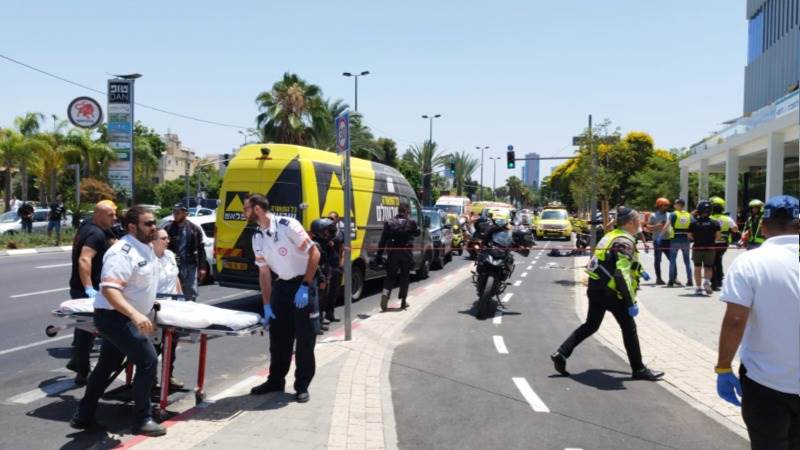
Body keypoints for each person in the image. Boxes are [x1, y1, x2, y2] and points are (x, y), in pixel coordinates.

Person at [70, 205, 165, 437]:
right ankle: (143, 419)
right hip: (115, 318)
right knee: (147, 362)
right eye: (148, 223)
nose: (154, 227)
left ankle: (83, 415)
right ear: (132, 227)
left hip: (123, 317)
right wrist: (135, 314)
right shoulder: (122, 252)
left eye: (154, 222)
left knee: (105, 367)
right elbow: (111, 291)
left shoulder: (146, 248)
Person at [715, 195, 799, 450]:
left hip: (766, 381)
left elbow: (735, 321)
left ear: (763, 228)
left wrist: (723, 367)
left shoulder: (750, 262)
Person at [551, 207, 664, 381]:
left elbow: (610, 262)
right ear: (630, 222)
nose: (640, 224)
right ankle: (639, 369)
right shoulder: (624, 240)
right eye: (637, 221)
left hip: (596, 288)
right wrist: (629, 302)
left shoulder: (609, 236)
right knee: (629, 328)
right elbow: (621, 274)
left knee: (591, 325)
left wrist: (639, 271)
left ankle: (562, 353)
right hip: (614, 293)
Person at [246, 195, 321, 403]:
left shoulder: (288, 226)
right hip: (282, 287)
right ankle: (276, 380)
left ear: (258, 209)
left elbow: (314, 254)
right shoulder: (257, 237)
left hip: (303, 284)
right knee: (278, 339)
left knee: (305, 338)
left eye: (246, 208)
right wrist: (267, 305)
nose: (244, 212)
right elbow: (264, 273)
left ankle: (302, 385)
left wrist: (305, 285)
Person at [66, 200, 117, 384]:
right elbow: (84, 260)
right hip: (88, 290)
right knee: (87, 331)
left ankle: (77, 364)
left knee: (83, 329)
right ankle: (82, 371)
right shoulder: (95, 234)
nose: (114, 218)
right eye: (110, 215)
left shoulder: (87, 228)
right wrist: (89, 287)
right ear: (98, 215)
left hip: (80, 287)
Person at [152, 227, 184, 389]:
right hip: (154, 307)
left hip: (173, 305)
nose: (167, 241)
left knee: (171, 344)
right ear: (153, 241)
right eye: (163, 238)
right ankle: (149, 378)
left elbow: (175, 277)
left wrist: (181, 297)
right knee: (154, 345)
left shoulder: (170, 255)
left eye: (167, 238)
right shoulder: (149, 258)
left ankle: (168, 376)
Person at [374, 202, 420, 311]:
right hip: (406, 253)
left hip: (393, 253)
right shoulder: (411, 222)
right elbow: (417, 233)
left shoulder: (389, 222)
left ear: (398, 211)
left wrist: (379, 255)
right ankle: (403, 302)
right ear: (407, 211)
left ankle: (385, 294)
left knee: (390, 277)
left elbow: (383, 240)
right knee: (405, 277)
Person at [163, 203, 207, 301]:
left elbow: (201, 249)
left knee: (190, 293)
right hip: (173, 265)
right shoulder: (168, 228)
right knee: (174, 292)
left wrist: (202, 268)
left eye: (178, 212)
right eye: (174, 212)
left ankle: (191, 312)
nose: (175, 214)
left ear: (185, 214)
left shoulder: (194, 229)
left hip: (190, 265)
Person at [310, 218, 339, 335]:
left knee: (322, 301)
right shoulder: (315, 244)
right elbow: (315, 264)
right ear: (319, 231)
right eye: (326, 231)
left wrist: (331, 246)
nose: (329, 234)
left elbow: (333, 259)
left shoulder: (325, 243)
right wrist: (322, 279)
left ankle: (320, 322)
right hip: (317, 278)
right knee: (316, 303)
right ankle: (315, 326)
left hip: (324, 275)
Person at [687, 200, 721, 296]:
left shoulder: (694, 223)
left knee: (697, 268)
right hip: (710, 248)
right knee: (708, 267)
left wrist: (697, 239)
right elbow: (718, 236)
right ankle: (706, 282)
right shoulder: (715, 223)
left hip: (697, 247)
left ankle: (698, 288)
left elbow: (689, 236)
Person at [709, 197, 739, 291]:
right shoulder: (727, 218)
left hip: (712, 242)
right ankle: (719, 280)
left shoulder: (710, 218)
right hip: (723, 243)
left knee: (713, 261)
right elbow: (735, 229)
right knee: (718, 260)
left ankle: (715, 280)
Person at [647, 197, 677, 286]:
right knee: (658, 260)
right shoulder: (653, 215)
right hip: (658, 241)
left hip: (669, 240)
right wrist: (658, 226)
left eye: (667, 205)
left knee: (672, 260)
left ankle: (674, 277)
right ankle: (659, 278)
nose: (667, 207)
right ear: (659, 206)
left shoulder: (670, 215)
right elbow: (648, 227)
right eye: (665, 205)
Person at [323, 211, 344, 323]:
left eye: (332, 218)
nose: (330, 220)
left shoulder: (340, 234)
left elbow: (342, 249)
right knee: (325, 291)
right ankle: (321, 317)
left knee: (334, 291)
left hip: (337, 266)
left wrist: (342, 262)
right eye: (328, 218)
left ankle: (330, 314)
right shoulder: (324, 232)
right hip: (327, 266)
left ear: (337, 220)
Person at [670, 199, 694, 286]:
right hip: (686, 240)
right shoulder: (689, 215)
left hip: (675, 239)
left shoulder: (673, 214)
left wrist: (660, 235)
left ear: (679, 205)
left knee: (672, 261)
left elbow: (669, 224)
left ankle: (671, 281)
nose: (674, 205)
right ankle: (690, 280)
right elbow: (694, 224)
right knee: (687, 261)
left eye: (675, 204)